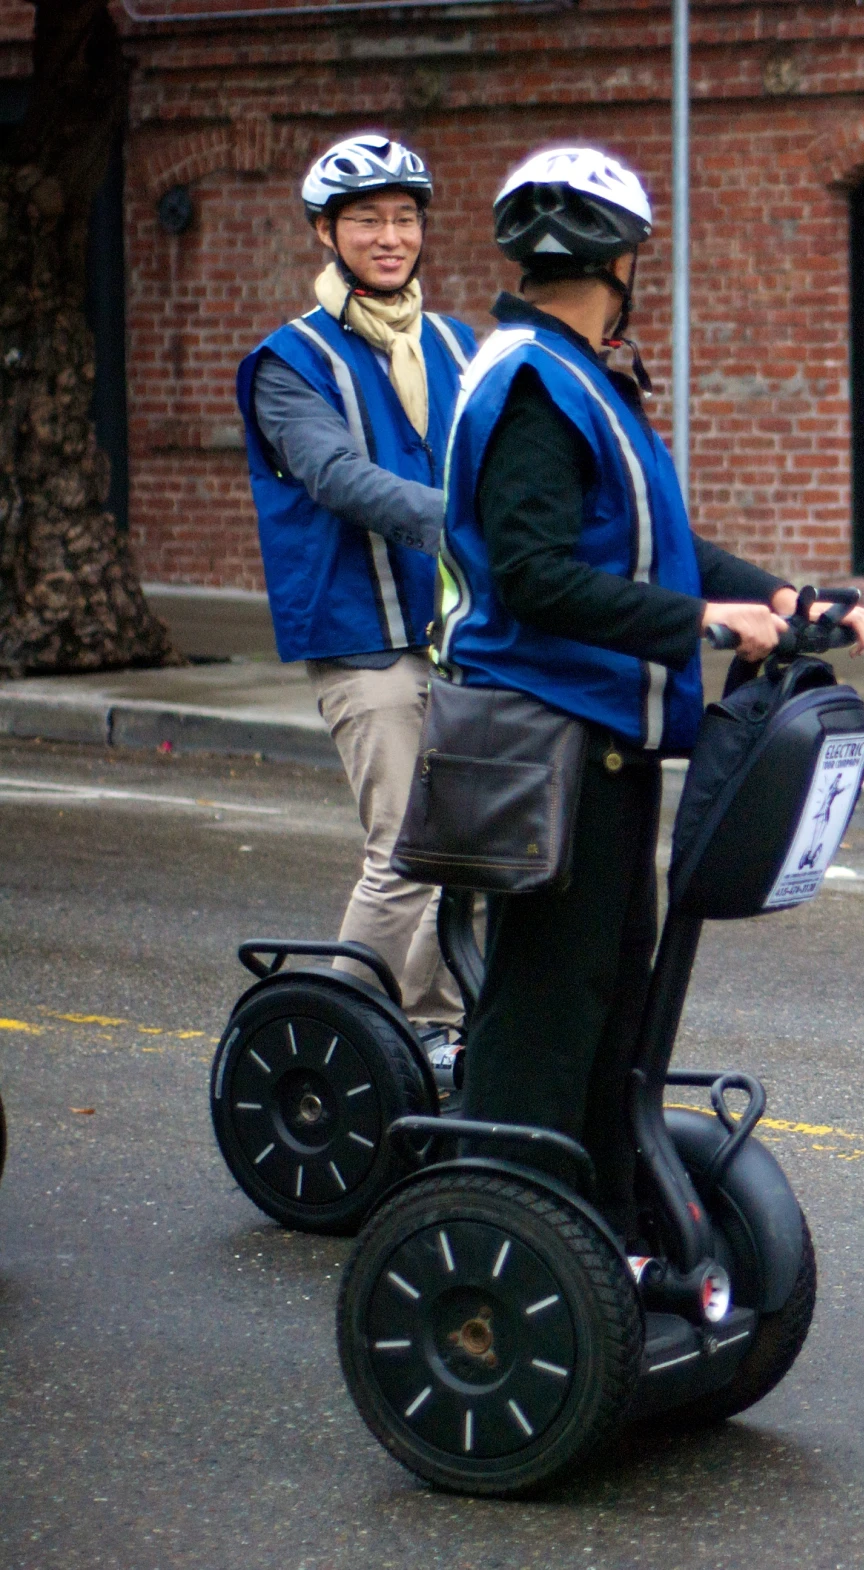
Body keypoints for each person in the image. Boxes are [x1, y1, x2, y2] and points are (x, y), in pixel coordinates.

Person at [436, 147, 864, 1223]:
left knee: (606, 997)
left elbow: (658, 549)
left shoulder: (579, 373)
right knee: (548, 1009)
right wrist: (699, 621)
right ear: (625, 256)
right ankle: (497, 1237)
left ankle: (587, 1224)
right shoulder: (535, 382)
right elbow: (536, 578)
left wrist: (777, 597)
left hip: (603, 741)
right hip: (548, 740)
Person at [236, 135, 474, 1045]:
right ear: (326, 233)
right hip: (362, 637)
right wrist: (465, 523)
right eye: (367, 220)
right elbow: (336, 476)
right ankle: (337, 1044)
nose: (389, 236)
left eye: (404, 218)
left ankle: (437, 1030)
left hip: (457, 634)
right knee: (407, 850)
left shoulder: (455, 343)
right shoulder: (290, 361)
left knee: (468, 848)